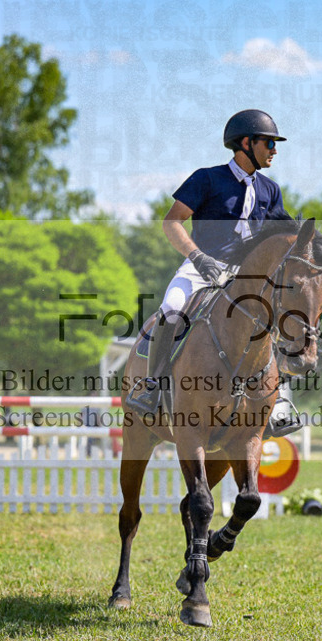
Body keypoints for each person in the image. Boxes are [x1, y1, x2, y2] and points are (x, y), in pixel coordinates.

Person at [125, 110, 291, 415]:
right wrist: (198, 257)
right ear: (245, 143)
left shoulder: (270, 190)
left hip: (246, 278)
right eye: (268, 143)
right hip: (201, 269)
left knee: (280, 317)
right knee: (172, 308)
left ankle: (276, 400)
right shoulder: (207, 178)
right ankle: (152, 386)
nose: (274, 150)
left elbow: (285, 233)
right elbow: (171, 223)